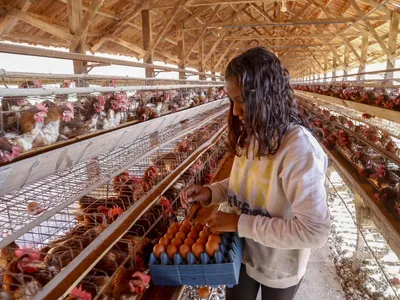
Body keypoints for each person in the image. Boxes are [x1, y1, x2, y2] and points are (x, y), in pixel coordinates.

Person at [180, 47, 331, 300]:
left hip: (279, 264)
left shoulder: (299, 149)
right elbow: (246, 183)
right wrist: (211, 192)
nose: (236, 111)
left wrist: (238, 223)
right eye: (231, 101)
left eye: (240, 100)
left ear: (265, 96)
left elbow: (314, 231)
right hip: (242, 252)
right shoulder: (253, 134)